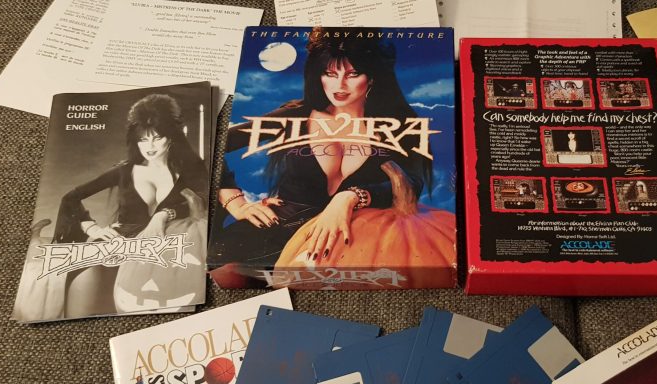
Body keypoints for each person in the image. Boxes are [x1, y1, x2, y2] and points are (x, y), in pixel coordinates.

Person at [213, 28, 430, 267]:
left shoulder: (398, 125)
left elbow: (412, 183)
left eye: (353, 73)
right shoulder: (296, 116)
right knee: (223, 271)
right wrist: (236, 203)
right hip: (273, 230)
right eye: (330, 73)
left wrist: (350, 197)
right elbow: (211, 143)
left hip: (352, 240)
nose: (340, 85)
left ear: (372, 77)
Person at [54, 94, 208, 318]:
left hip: (164, 250)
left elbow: (201, 203)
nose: (150, 146)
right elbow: (70, 198)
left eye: (157, 138)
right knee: (83, 308)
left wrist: (163, 215)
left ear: (172, 136)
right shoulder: (125, 171)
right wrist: (92, 229)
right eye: (143, 140)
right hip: (118, 245)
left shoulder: (192, 170)